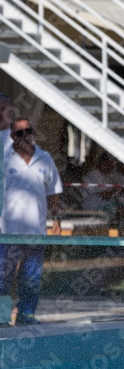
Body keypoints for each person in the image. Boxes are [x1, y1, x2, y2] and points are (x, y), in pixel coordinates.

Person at [0, 117, 62, 326]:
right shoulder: (4, 159)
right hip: (7, 230)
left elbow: (53, 192)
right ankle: (1, 316)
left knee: (32, 277)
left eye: (29, 131)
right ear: (12, 136)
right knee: (3, 276)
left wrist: (56, 219)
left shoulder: (45, 159)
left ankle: (26, 314)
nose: (25, 136)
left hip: (36, 229)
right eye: (20, 133)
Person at [82, 152, 124, 219]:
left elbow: (123, 185)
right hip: (94, 208)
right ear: (104, 163)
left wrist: (122, 189)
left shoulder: (110, 175)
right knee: (118, 211)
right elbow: (105, 195)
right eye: (111, 163)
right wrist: (119, 190)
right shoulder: (93, 175)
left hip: (106, 207)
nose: (114, 166)